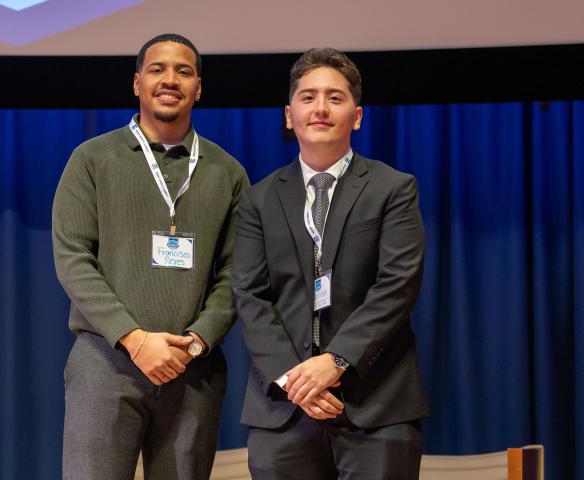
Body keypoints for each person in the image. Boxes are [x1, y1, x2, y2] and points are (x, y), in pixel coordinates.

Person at [52, 33, 249, 480]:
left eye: (184, 71)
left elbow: (238, 273)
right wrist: (135, 339)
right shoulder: (92, 159)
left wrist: (197, 341)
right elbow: (73, 259)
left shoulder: (228, 172)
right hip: (105, 362)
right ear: (137, 82)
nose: (170, 79)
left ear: (199, 87)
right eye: (157, 69)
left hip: (191, 368)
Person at [232, 48, 428, 479]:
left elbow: (397, 284)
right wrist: (295, 379)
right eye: (308, 97)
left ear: (357, 116)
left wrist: (336, 360)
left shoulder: (393, 189)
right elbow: (249, 293)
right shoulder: (258, 199)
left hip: (376, 405)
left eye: (335, 98)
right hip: (282, 408)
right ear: (289, 115)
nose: (320, 108)